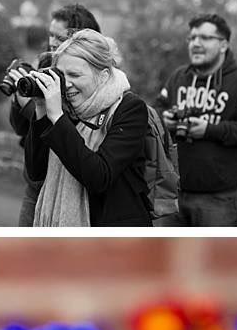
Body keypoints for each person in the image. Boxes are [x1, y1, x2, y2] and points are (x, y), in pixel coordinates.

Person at [23, 29, 151, 227]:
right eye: (61, 75)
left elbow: (99, 176)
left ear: (103, 75)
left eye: (75, 75)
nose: (66, 85)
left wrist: (57, 117)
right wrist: (40, 107)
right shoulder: (64, 107)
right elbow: (36, 172)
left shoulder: (129, 109)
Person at [159, 13, 237, 226]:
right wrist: (165, 121)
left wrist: (210, 130)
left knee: (217, 258)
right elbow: (158, 108)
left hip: (217, 201)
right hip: (173, 194)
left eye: (205, 38)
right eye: (192, 38)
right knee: (168, 257)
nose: (196, 43)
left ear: (223, 44)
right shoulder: (179, 77)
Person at [7, 3, 102, 226]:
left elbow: (65, 125)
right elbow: (21, 129)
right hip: (36, 182)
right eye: (50, 35)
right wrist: (18, 98)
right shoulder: (43, 66)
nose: (52, 43)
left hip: (67, 183)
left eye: (59, 38)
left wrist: (31, 105)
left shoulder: (82, 82)